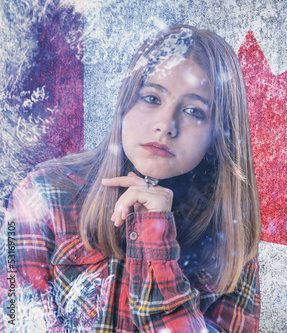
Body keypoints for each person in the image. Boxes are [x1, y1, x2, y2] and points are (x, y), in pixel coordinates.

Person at [0, 24, 261, 332]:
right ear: (125, 103)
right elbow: (13, 317)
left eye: (194, 111)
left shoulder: (230, 237)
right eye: (151, 98)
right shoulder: (41, 194)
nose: (166, 125)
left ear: (218, 136)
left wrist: (156, 240)